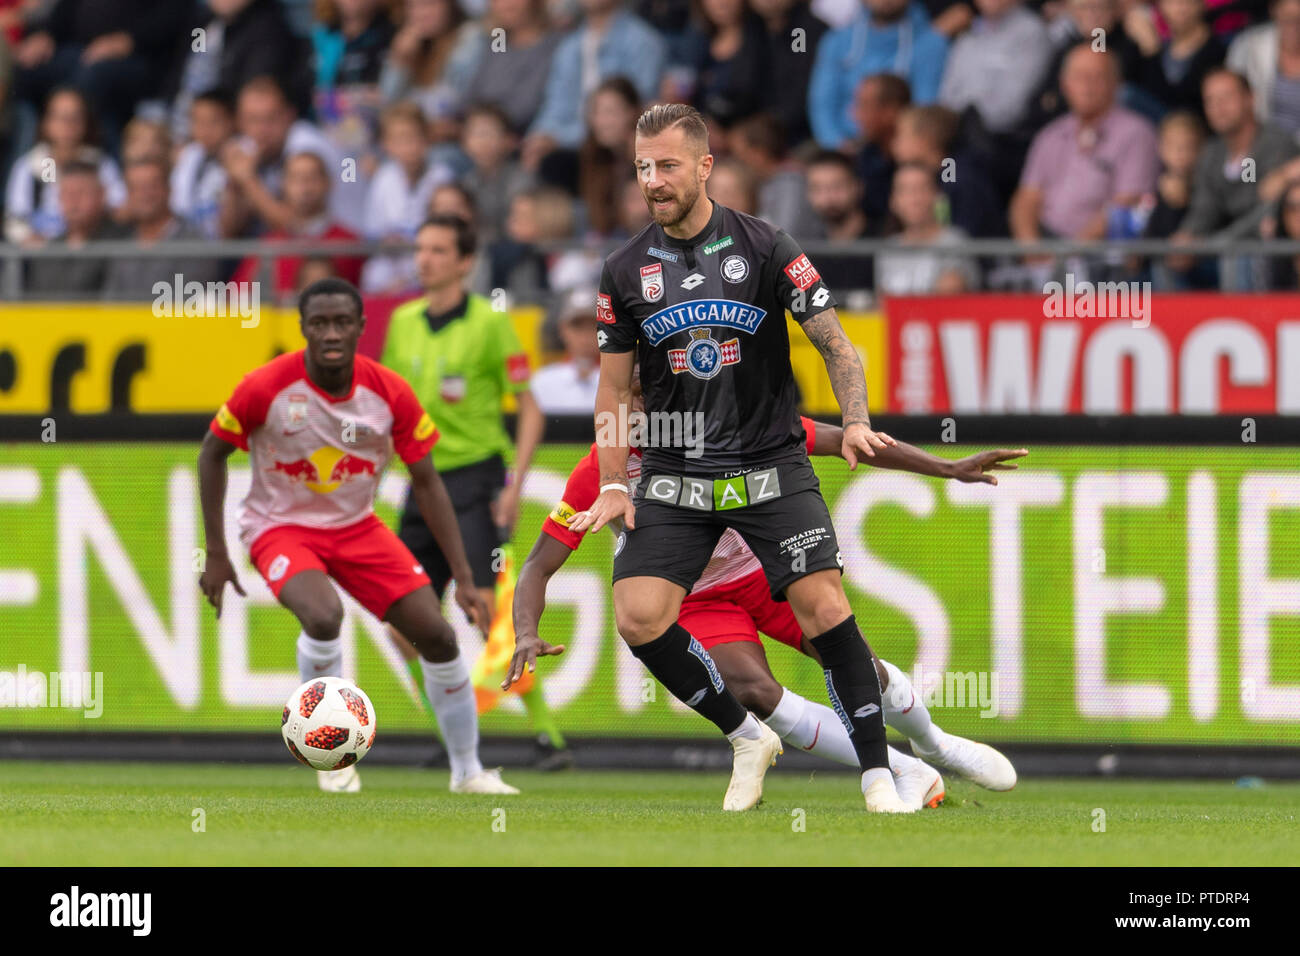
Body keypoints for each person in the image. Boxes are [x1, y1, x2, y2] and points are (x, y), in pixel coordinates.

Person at [580, 102, 913, 813]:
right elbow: (612, 390)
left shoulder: (766, 246)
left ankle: (878, 774)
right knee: (638, 616)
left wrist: (854, 421)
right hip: (675, 472)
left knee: (823, 606)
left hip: (769, 462)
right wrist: (614, 484)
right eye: (643, 167)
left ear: (705, 167)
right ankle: (746, 736)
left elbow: (835, 343)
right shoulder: (623, 269)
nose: (653, 180)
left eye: (667, 165)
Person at [507, 372, 1024, 809]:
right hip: (697, 599)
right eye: (634, 402)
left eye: (656, 397)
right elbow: (537, 566)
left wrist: (947, 468)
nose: (645, 411)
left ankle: (935, 746)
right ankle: (902, 769)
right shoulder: (600, 473)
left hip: (762, 573)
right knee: (753, 691)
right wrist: (526, 632)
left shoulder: (733, 427)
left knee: (859, 670)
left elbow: (848, 441)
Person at [197, 277, 514, 795]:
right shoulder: (266, 386)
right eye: (318, 323)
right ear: (302, 328)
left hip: (357, 528)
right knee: (324, 616)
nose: (330, 333)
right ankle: (332, 755)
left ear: (361, 328)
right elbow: (211, 452)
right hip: (280, 527)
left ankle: (468, 773)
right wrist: (216, 551)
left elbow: (428, 482)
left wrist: (463, 576)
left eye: (342, 322)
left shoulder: (388, 392)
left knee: (438, 636)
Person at [381, 215, 565, 767]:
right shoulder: (403, 321)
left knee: (486, 615)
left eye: (438, 250)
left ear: (465, 261)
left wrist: (515, 485)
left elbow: (529, 409)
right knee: (402, 625)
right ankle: (455, 738)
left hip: (475, 480)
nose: (425, 260)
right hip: (421, 483)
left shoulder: (490, 323)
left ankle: (547, 737)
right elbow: (388, 406)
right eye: (420, 249)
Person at [807, 0, 949, 150]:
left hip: (900, 147)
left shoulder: (933, 43)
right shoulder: (835, 41)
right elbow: (822, 104)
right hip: (842, 148)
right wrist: (838, 144)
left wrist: (897, 146)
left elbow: (924, 106)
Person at [876, 161, 978, 294]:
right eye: (905, 190)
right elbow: (882, 304)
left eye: (922, 189)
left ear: (937, 196)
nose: (914, 199)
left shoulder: (955, 242)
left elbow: (949, 296)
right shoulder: (888, 249)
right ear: (893, 201)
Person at [532, 287, 604, 414]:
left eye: (594, 326)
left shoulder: (621, 381)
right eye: (577, 326)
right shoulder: (542, 382)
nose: (585, 335)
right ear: (562, 329)